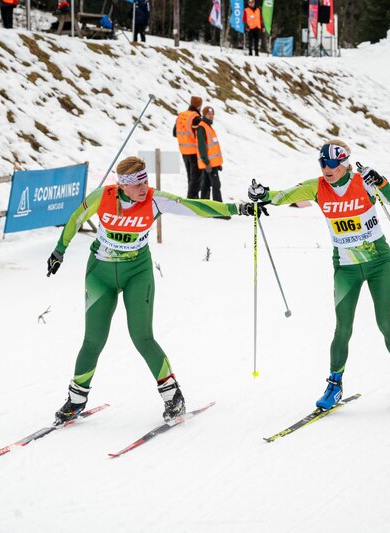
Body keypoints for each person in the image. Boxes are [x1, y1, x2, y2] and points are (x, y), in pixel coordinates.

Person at [46, 156, 262, 423]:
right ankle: (76, 401)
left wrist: (238, 208)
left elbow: (195, 206)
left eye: (145, 181)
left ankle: (173, 397)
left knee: (142, 337)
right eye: (137, 184)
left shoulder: (155, 199)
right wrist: (59, 251)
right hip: (100, 275)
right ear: (122, 185)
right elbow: (75, 219)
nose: (144, 188)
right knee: (93, 340)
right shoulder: (103, 196)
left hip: (137, 274)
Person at [248, 140, 390, 411]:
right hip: (346, 267)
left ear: (344, 164)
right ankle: (334, 385)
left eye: (332, 164)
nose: (326, 168)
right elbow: (282, 196)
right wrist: (262, 194)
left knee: (385, 322)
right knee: (343, 329)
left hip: (378, 262)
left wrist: (380, 181)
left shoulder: (363, 181)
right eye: (322, 163)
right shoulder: (317, 187)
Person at [173, 96, 203, 199]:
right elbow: (200, 136)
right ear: (199, 105)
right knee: (196, 178)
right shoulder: (196, 118)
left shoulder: (181, 116)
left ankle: (193, 198)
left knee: (190, 177)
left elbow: (175, 133)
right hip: (194, 151)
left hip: (184, 151)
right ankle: (192, 199)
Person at [196, 106, 225, 204]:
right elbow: (201, 147)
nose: (211, 116)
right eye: (209, 114)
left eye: (212, 114)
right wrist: (206, 162)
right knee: (216, 185)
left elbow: (213, 148)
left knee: (206, 185)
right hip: (209, 164)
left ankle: (204, 205)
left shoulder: (208, 127)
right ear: (204, 115)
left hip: (212, 164)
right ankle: (218, 208)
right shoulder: (202, 127)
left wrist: (218, 164)